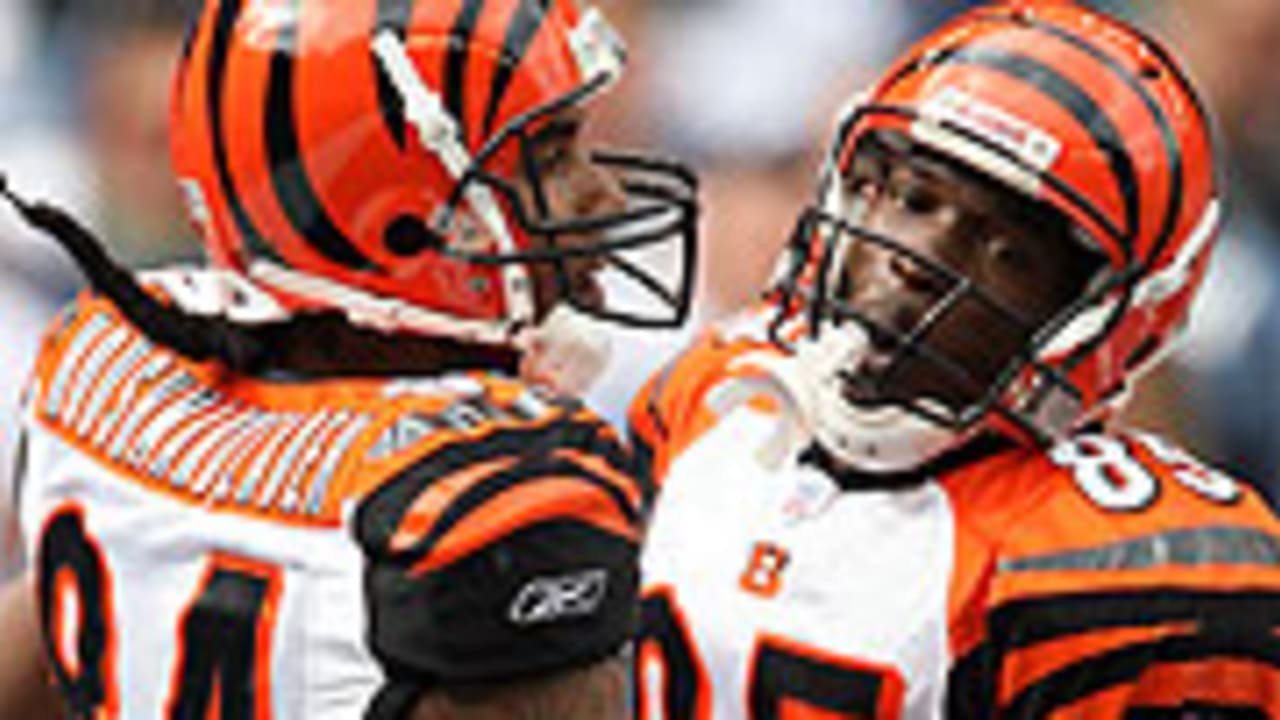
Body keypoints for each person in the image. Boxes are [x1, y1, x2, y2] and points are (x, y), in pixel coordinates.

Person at [0, 0, 697, 717]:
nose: (602, 193)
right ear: (397, 213)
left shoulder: (115, 365)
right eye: (551, 153)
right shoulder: (493, 500)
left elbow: (38, 656)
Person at [630, 2, 1280, 717]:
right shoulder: (716, 388)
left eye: (1007, 252)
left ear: (1111, 317)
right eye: (912, 198)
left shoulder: (1133, 570)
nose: (920, 262)